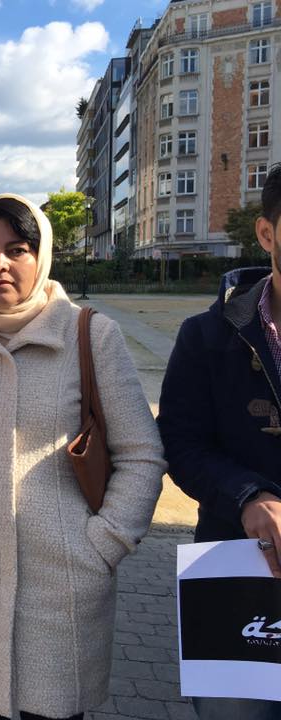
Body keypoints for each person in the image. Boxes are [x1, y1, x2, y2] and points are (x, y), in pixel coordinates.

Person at [0, 193, 165, 720]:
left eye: (17, 249)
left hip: (64, 579)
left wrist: (105, 543)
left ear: (41, 257)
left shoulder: (91, 333)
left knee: (55, 711)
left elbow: (141, 453)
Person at [158, 164, 281, 720]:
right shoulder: (208, 335)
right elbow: (180, 444)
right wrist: (248, 495)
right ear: (267, 233)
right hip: (237, 568)